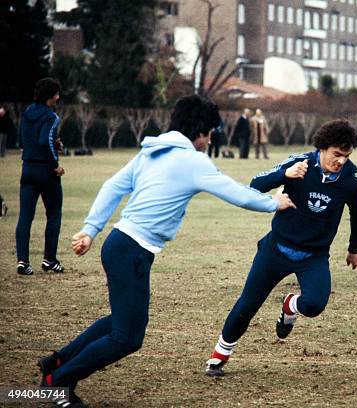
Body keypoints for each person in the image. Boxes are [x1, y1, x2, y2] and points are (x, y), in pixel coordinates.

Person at [37, 94, 295, 408]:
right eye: (210, 132)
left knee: (121, 321)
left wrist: (91, 230)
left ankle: (56, 362)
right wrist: (274, 203)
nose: (211, 138)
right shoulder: (192, 161)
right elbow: (237, 194)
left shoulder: (151, 151)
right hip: (130, 250)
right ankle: (58, 382)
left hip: (122, 245)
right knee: (128, 337)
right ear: (199, 130)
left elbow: (112, 186)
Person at [205, 119, 357, 377]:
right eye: (337, 154)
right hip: (275, 250)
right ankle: (219, 356)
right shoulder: (299, 163)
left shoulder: (351, 183)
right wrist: (285, 175)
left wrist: (354, 248)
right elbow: (255, 184)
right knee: (247, 305)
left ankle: (290, 306)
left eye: (346, 156)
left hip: (313, 257)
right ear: (322, 148)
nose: (341, 161)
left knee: (314, 305)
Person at [15, 78, 65, 275]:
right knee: (53, 214)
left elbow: (22, 142)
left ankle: (23, 262)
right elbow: (45, 141)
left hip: (27, 170)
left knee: (25, 217)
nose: (58, 97)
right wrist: (55, 166)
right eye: (56, 94)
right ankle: (50, 260)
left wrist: (54, 144)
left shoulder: (27, 113)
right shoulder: (52, 117)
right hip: (46, 173)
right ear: (49, 97)